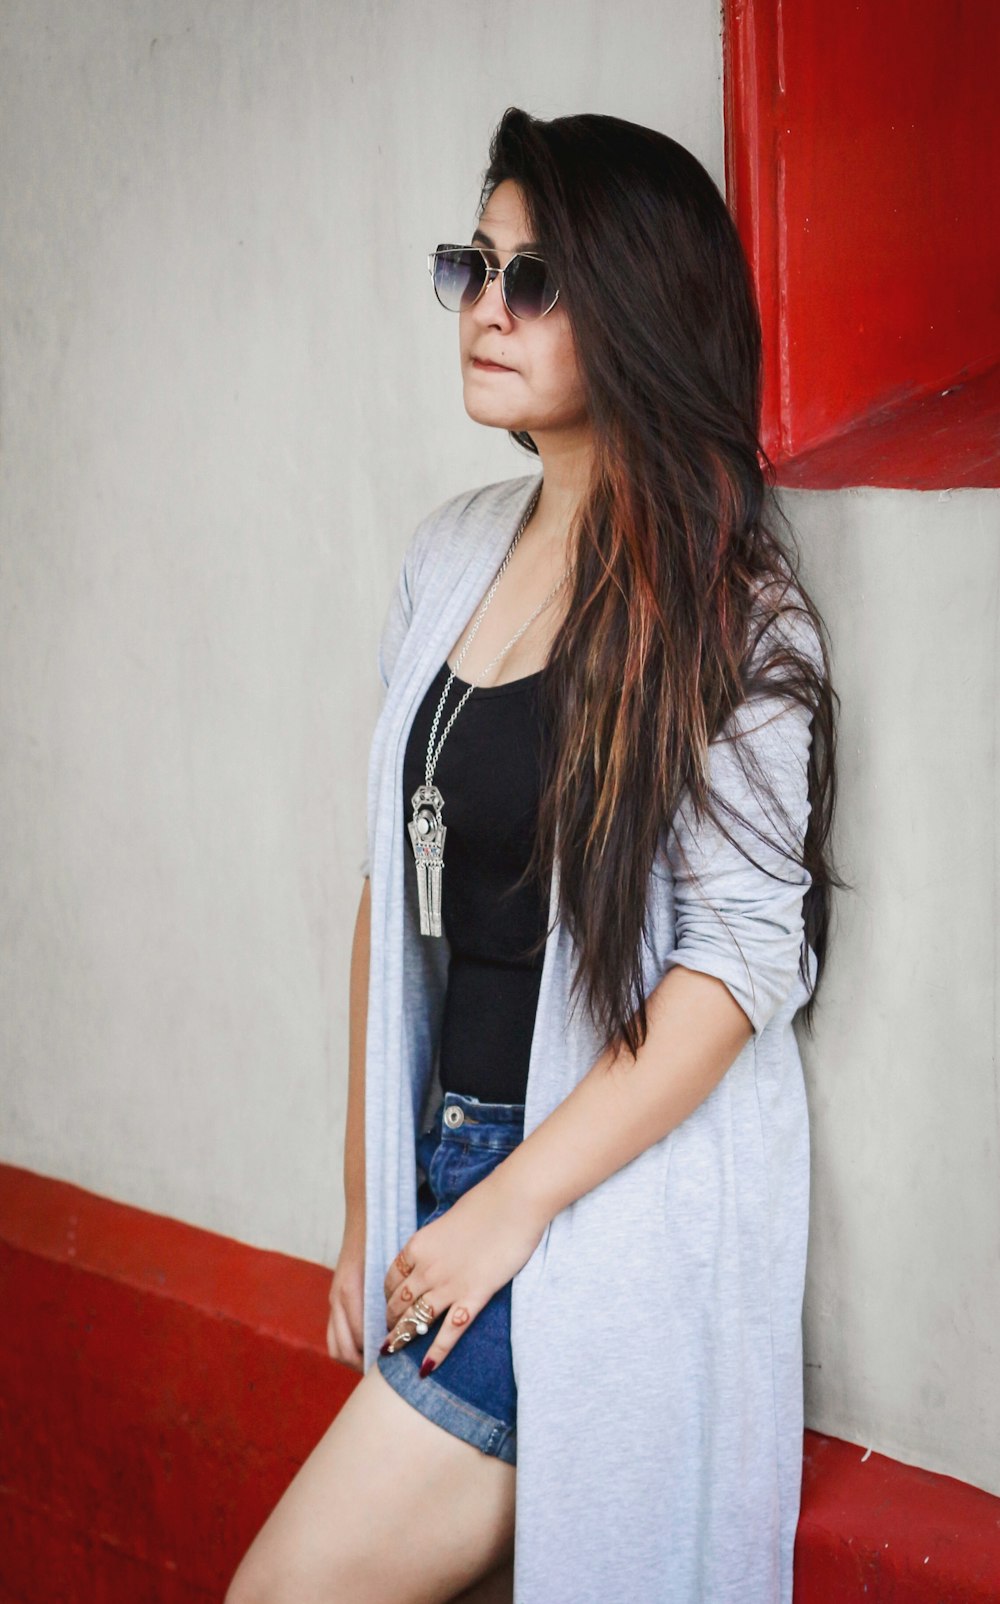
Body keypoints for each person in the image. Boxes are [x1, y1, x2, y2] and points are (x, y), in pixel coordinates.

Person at [225, 106, 840, 1604]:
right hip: (448, 1176)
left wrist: (509, 1205)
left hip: (590, 1202)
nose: (486, 308)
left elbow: (739, 965)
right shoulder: (449, 554)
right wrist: (377, 1199)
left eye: (537, 278)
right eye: (475, 264)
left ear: (634, 306)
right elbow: (397, 872)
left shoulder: (730, 612)